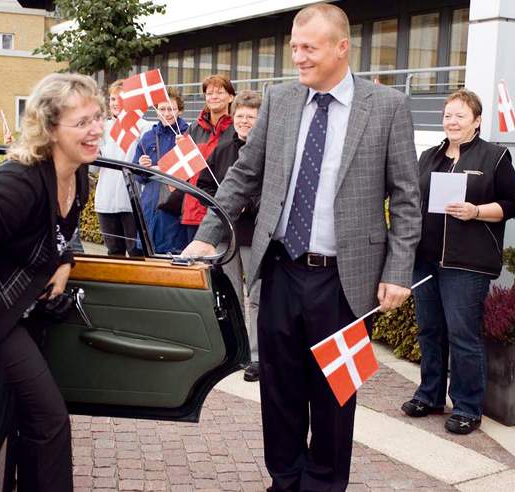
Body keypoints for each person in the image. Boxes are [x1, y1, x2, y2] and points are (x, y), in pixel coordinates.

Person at [183, 4, 421, 489]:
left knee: (335, 394)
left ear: (341, 47)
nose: (298, 57)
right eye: (294, 47)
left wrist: (398, 270)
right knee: (280, 390)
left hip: (344, 281)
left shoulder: (388, 106)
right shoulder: (281, 100)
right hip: (281, 270)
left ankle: (324, 484)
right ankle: (285, 480)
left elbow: (407, 197)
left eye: (308, 48)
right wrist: (207, 235)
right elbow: (244, 174)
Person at [0, 73, 104, 491]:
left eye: (98, 117)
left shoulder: (76, 173)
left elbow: (60, 235)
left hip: (26, 312)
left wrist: (65, 261)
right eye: (83, 122)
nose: (96, 129)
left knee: (25, 417)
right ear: (49, 129)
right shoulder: (14, 185)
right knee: (50, 419)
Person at [399, 89, 515, 435]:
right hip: (425, 260)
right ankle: (430, 395)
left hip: (466, 263)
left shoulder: (495, 157)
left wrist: (476, 211)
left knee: (463, 335)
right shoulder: (429, 156)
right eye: (448, 115)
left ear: (477, 121)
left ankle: (468, 406)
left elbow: (513, 204)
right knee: (429, 330)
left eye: (460, 116)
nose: (452, 122)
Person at [196, 90, 263, 382]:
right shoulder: (223, 148)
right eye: (240, 116)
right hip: (225, 235)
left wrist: (251, 205)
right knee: (230, 294)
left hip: (255, 236)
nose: (244, 121)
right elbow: (204, 185)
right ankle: (236, 351)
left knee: (257, 296)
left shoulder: (267, 151)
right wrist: (219, 206)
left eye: (250, 116)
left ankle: (259, 355)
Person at [97, 79, 152, 256]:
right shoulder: (102, 128)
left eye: (120, 99)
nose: (115, 103)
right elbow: (93, 167)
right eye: (112, 99)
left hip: (132, 200)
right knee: (114, 252)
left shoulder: (144, 127)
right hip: (106, 200)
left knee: (136, 252)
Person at [133, 90, 191, 254]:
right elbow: (137, 175)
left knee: (174, 255)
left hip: (174, 205)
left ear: (179, 110)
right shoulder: (148, 137)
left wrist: (184, 148)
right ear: (157, 110)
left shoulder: (188, 134)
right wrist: (141, 166)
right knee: (148, 254)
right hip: (150, 205)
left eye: (171, 109)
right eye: (162, 109)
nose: (166, 113)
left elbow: (193, 171)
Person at [182, 74, 236, 239]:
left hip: (225, 210)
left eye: (219, 92)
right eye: (209, 93)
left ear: (231, 97)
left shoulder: (237, 128)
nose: (214, 97)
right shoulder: (193, 129)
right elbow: (184, 170)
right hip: (194, 210)